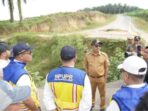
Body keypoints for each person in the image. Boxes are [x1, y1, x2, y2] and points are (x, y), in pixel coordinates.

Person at [43, 45, 92, 111]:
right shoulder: (83, 76)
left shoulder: (50, 75)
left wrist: (52, 109)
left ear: (60, 58)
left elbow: (47, 97)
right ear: (75, 58)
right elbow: (87, 102)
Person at [3, 42, 41, 111]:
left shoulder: (11, 66)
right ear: (21, 56)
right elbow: (26, 100)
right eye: (29, 53)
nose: (31, 54)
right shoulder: (21, 74)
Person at [84, 39, 109, 111]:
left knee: (102, 94)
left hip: (101, 78)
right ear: (92, 46)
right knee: (91, 93)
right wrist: (87, 76)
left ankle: (103, 106)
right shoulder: (87, 56)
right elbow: (85, 66)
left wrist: (105, 78)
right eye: (96, 46)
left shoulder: (104, 55)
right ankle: (91, 105)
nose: (98, 47)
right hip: (91, 78)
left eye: (100, 45)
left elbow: (106, 67)